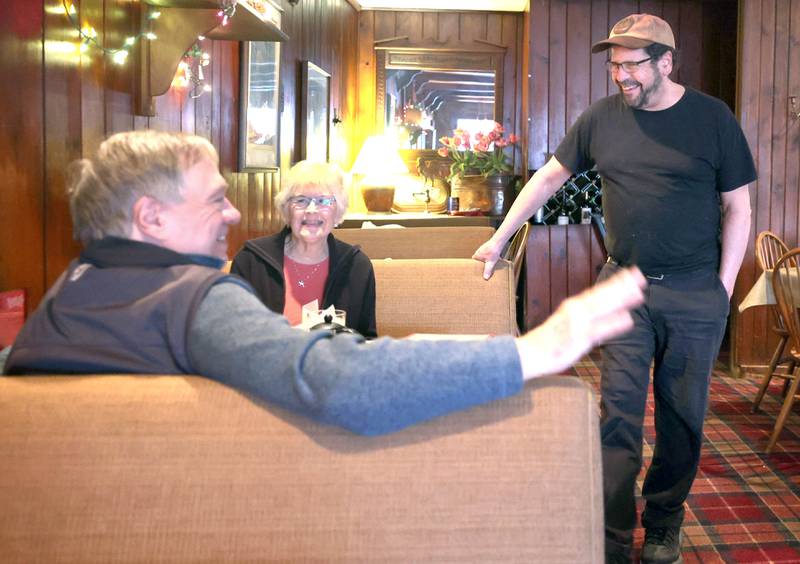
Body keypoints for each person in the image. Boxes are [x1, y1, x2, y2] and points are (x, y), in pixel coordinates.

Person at [3, 129, 646, 440]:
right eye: (215, 200)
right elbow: (345, 382)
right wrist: (537, 349)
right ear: (152, 217)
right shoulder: (193, 301)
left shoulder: (71, 292)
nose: (232, 215)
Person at [473, 13, 755, 564]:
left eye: (632, 65)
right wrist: (501, 238)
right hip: (622, 285)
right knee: (618, 416)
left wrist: (721, 290)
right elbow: (550, 177)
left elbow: (738, 206)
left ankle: (665, 522)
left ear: (666, 63)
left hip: (695, 291)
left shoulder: (712, 119)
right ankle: (613, 535)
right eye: (614, 66)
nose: (621, 76)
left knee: (682, 418)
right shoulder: (602, 118)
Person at [231, 161, 376, 338]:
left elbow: (366, 338)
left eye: (323, 201)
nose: (312, 210)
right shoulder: (251, 261)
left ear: (338, 210)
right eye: (301, 200)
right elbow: (234, 337)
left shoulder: (357, 266)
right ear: (286, 209)